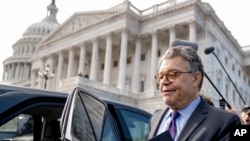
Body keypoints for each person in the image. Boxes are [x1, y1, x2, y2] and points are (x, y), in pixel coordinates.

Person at [147, 42, 241, 141]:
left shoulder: (226, 122)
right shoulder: (155, 119)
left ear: (196, 78)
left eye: (173, 74)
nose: (164, 82)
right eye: (161, 76)